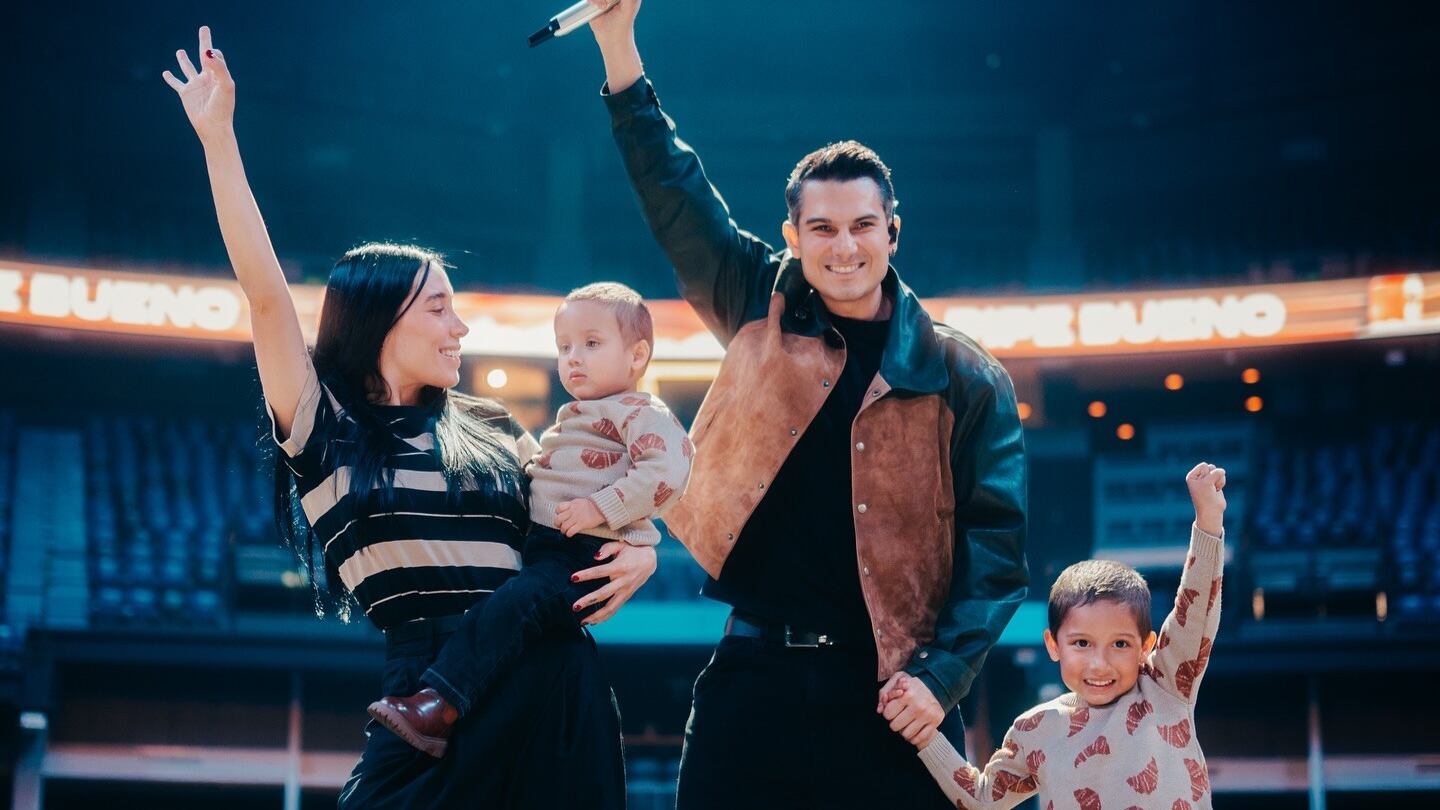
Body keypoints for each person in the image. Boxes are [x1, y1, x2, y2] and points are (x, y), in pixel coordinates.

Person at [163, 28, 655, 807]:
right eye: (439, 308)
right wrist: (219, 139)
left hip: (556, 680)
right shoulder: (323, 428)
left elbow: (571, 525)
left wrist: (639, 552)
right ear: (378, 320)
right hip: (426, 692)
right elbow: (263, 293)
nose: (459, 328)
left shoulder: (493, 424)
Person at [578, 2, 1030, 806]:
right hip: (753, 681)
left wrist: (944, 677)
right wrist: (620, 47)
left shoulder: (964, 375)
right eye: (820, 227)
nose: (844, 246)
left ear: (894, 231)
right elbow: (674, 194)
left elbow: (996, 554)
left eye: (863, 225)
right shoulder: (757, 299)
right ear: (790, 234)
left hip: (899, 692)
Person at [369, 282, 692, 757]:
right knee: (508, 614)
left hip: (581, 552)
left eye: (592, 344)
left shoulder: (641, 411)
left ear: (638, 355)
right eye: (564, 348)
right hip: (549, 547)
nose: (573, 358)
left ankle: (440, 706)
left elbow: (670, 470)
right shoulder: (577, 414)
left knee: (508, 610)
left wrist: (602, 508)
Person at [898, 463, 1227, 810]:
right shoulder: (1035, 729)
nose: (1099, 664)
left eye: (1120, 644)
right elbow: (982, 799)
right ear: (1053, 645)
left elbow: (1196, 611)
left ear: (1146, 646)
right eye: (1082, 643)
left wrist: (1208, 521)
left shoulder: (1166, 687)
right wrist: (923, 734)